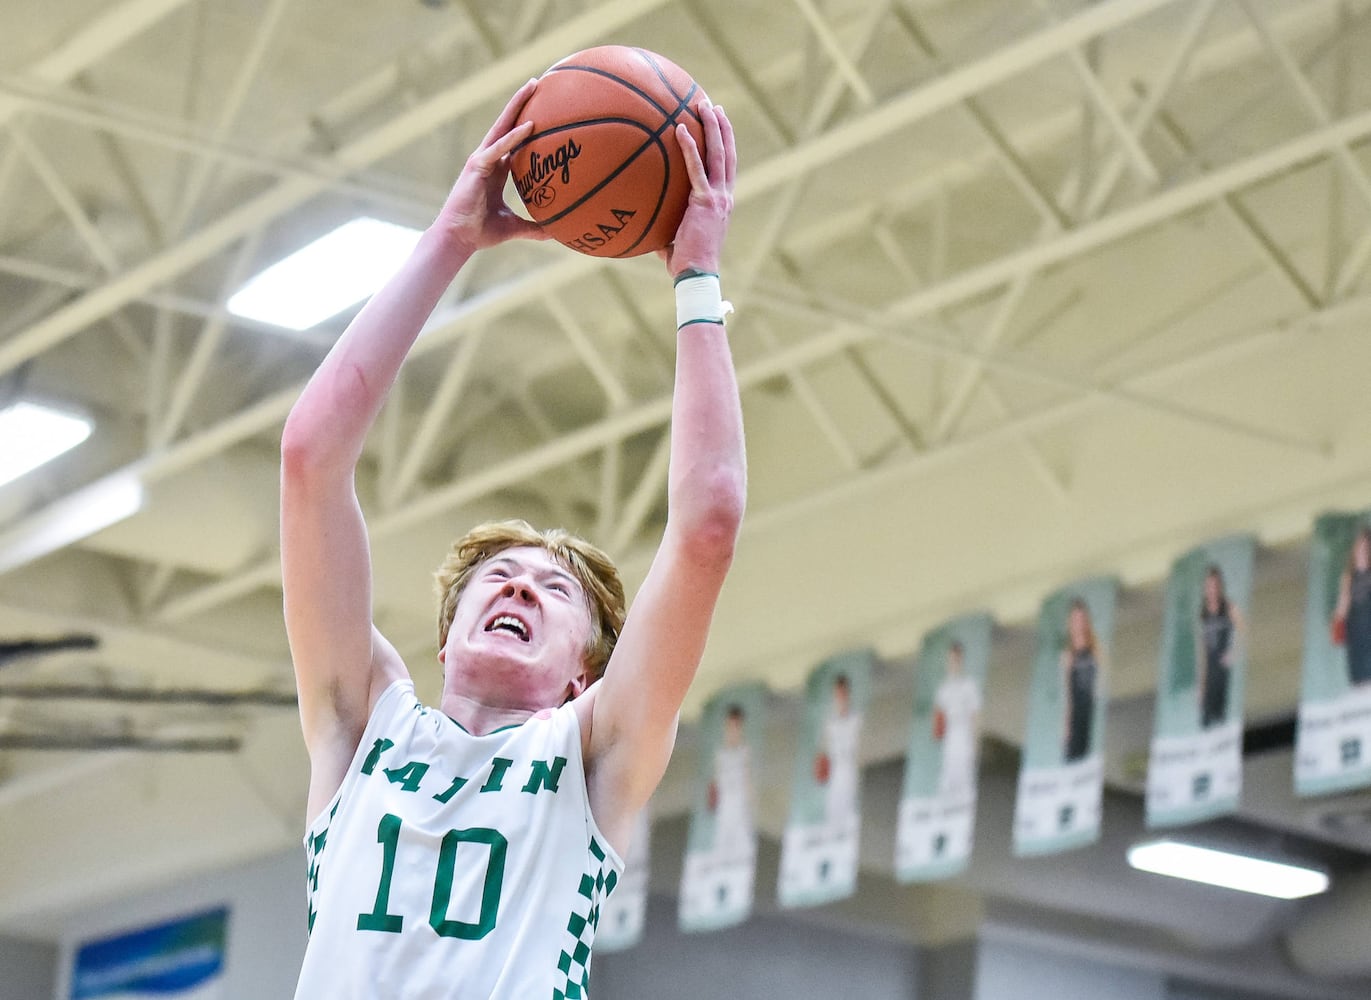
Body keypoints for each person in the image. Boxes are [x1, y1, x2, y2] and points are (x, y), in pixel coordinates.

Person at [281, 78, 744, 999]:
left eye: (553, 589)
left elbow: (710, 519)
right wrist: (449, 239)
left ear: (587, 671)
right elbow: (308, 457)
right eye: (497, 576)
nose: (520, 588)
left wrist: (695, 281)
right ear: (444, 638)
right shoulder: (359, 723)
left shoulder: (591, 751)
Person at [1196, 565, 1244, 728]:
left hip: (1223, 670)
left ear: (1220, 586)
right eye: (1208, 586)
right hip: (1210, 668)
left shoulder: (1229, 608)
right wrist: (1201, 686)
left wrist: (1234, 654)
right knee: (1206, 720)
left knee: (1222, 717)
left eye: (1215, 586)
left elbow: (1243, 631)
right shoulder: (1203, 613)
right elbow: (1202, 651)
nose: (1212, 590)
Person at [932, 641, 981, 799]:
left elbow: (975, 714)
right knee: (948, 775)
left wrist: (975, 741)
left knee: (965, 774)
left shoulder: (969, 685)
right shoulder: (943, 689)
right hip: (950, 736)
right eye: (951, 659)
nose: (953, 663)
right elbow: (939, 719)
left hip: (964, 733)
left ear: (961, 660)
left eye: (956, 659)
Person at [1060, 598, 1101, 764]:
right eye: (1074, 620)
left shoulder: (1095, 648)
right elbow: (1067, 692)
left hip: (1090, 710)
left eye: (1081, 619)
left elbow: (1100, 681)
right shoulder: (1068, 654)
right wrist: (1066, 726)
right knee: (1073, 755)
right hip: (1076, 712)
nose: (1078, 624)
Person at [1332, 527, 1371, 687]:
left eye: (1366, 548)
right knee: (1358, 662)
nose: (1362, 551)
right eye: (1359, 548)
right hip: (1355, 624)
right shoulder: (1348, 576)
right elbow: (1343, 601)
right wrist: (1337, 623)